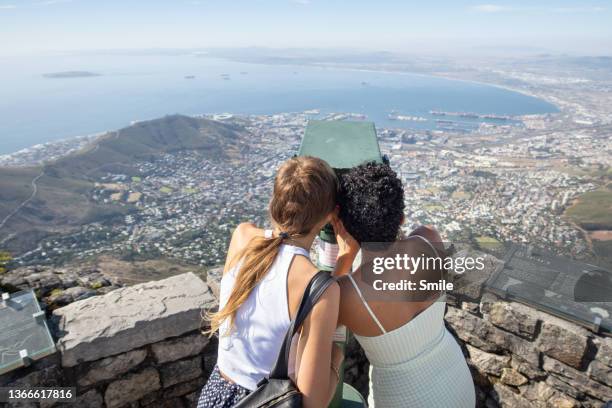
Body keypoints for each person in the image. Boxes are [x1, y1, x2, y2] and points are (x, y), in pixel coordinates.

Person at [197, 156, 343, 408]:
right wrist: (336, 358)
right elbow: (313, 403)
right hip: (264, 402)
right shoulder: (317, 287)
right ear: (331, 215)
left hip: (215, 395)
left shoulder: (242, 237)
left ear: (273, 203)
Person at [331, 162, 476, 408]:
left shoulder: (348, 293)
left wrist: (345, 257)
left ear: (344, 226)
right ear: (402, 217)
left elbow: (326, 326)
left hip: (403, 396)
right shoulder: (429, 239)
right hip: (458, 382)